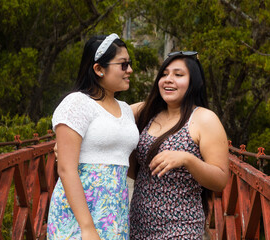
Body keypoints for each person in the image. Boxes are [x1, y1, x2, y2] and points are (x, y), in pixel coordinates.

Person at [47, 33, 139, 240]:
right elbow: (66, 168)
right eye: (123, 65)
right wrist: (87, 228)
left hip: (115, 213)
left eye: (129, 64)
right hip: (79, 214)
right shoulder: (76, 104)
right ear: (98, 69)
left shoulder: (125, 110)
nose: (130, 70)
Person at [128, 51, 229, 239]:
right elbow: (106, 114)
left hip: (181, 228)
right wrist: (69, 140)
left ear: (195, 82)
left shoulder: (204, 119)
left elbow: (220, 180)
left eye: (178, 74)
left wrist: (187, 159)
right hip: (138, 225)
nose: (168, 79)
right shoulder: (146, 111)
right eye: (164, 74)